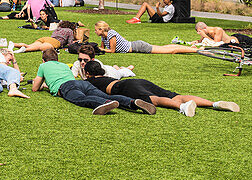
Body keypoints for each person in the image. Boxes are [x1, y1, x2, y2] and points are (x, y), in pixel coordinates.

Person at [81, 60, 239, 116]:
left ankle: (182, 107)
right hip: (140, 81)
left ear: (88, 73)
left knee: (154, 100)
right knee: (174, 95)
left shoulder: (91, 81)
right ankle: (214, 103)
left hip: (124, 87)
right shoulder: (109, 74)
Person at [31, 49, 155, 115]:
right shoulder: (63, 65)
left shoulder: (43, 66)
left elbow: (35, 88)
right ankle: (132, 102)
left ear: (43, 60)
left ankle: (106, 103)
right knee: (106, 95)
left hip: (66, 87)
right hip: (82, 83)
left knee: (80, 99)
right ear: (56, 58)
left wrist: (41, 84)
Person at [95, 20, 197, 54]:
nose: (95, 32)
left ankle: (195, 50)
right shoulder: (104, 36)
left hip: (138, 46)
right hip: (136, 45)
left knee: (169, 51)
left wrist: (98, 49)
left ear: (101, 29)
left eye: (96, 30)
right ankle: (191, 48)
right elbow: (104, 48)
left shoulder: (111, 34)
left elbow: (112, 51)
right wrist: (99, 48)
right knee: (164, 47)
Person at [12, 20, 86, 53]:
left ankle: (14, 44)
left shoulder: (58, 29)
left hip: (46, 38)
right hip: (55, 42)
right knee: (38, 48)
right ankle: (23, 50)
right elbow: (70, 43)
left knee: (29, 45)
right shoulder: (69, 31)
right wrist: (76, 41)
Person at [70, 43, 135, 80]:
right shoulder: (77, 63)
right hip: (107, 67)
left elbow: (103, 80)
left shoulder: (97, 65)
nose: (82, 62)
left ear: (92, 59)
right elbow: (72, 77)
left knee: (121, 73)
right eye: (80, 59)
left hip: (111, 73)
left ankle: (127, 69)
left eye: (85, 60)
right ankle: (117, 67)